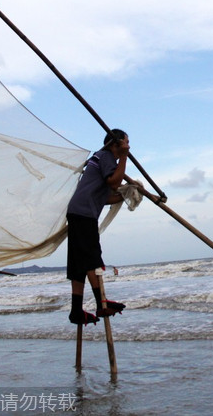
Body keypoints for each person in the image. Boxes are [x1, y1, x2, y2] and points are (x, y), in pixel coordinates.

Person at [66, 129, 130, 325]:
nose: (129, 145)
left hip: (79, 211)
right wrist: (124, 158)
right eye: (126, 142)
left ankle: (76, 310)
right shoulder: (107, 157)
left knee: (79, 264)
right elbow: (113, 182)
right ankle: (101, 303)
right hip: (84, 214)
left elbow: (106, 196)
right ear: (116, 144)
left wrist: (128, 194)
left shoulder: (99, 158)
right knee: (93, 258)